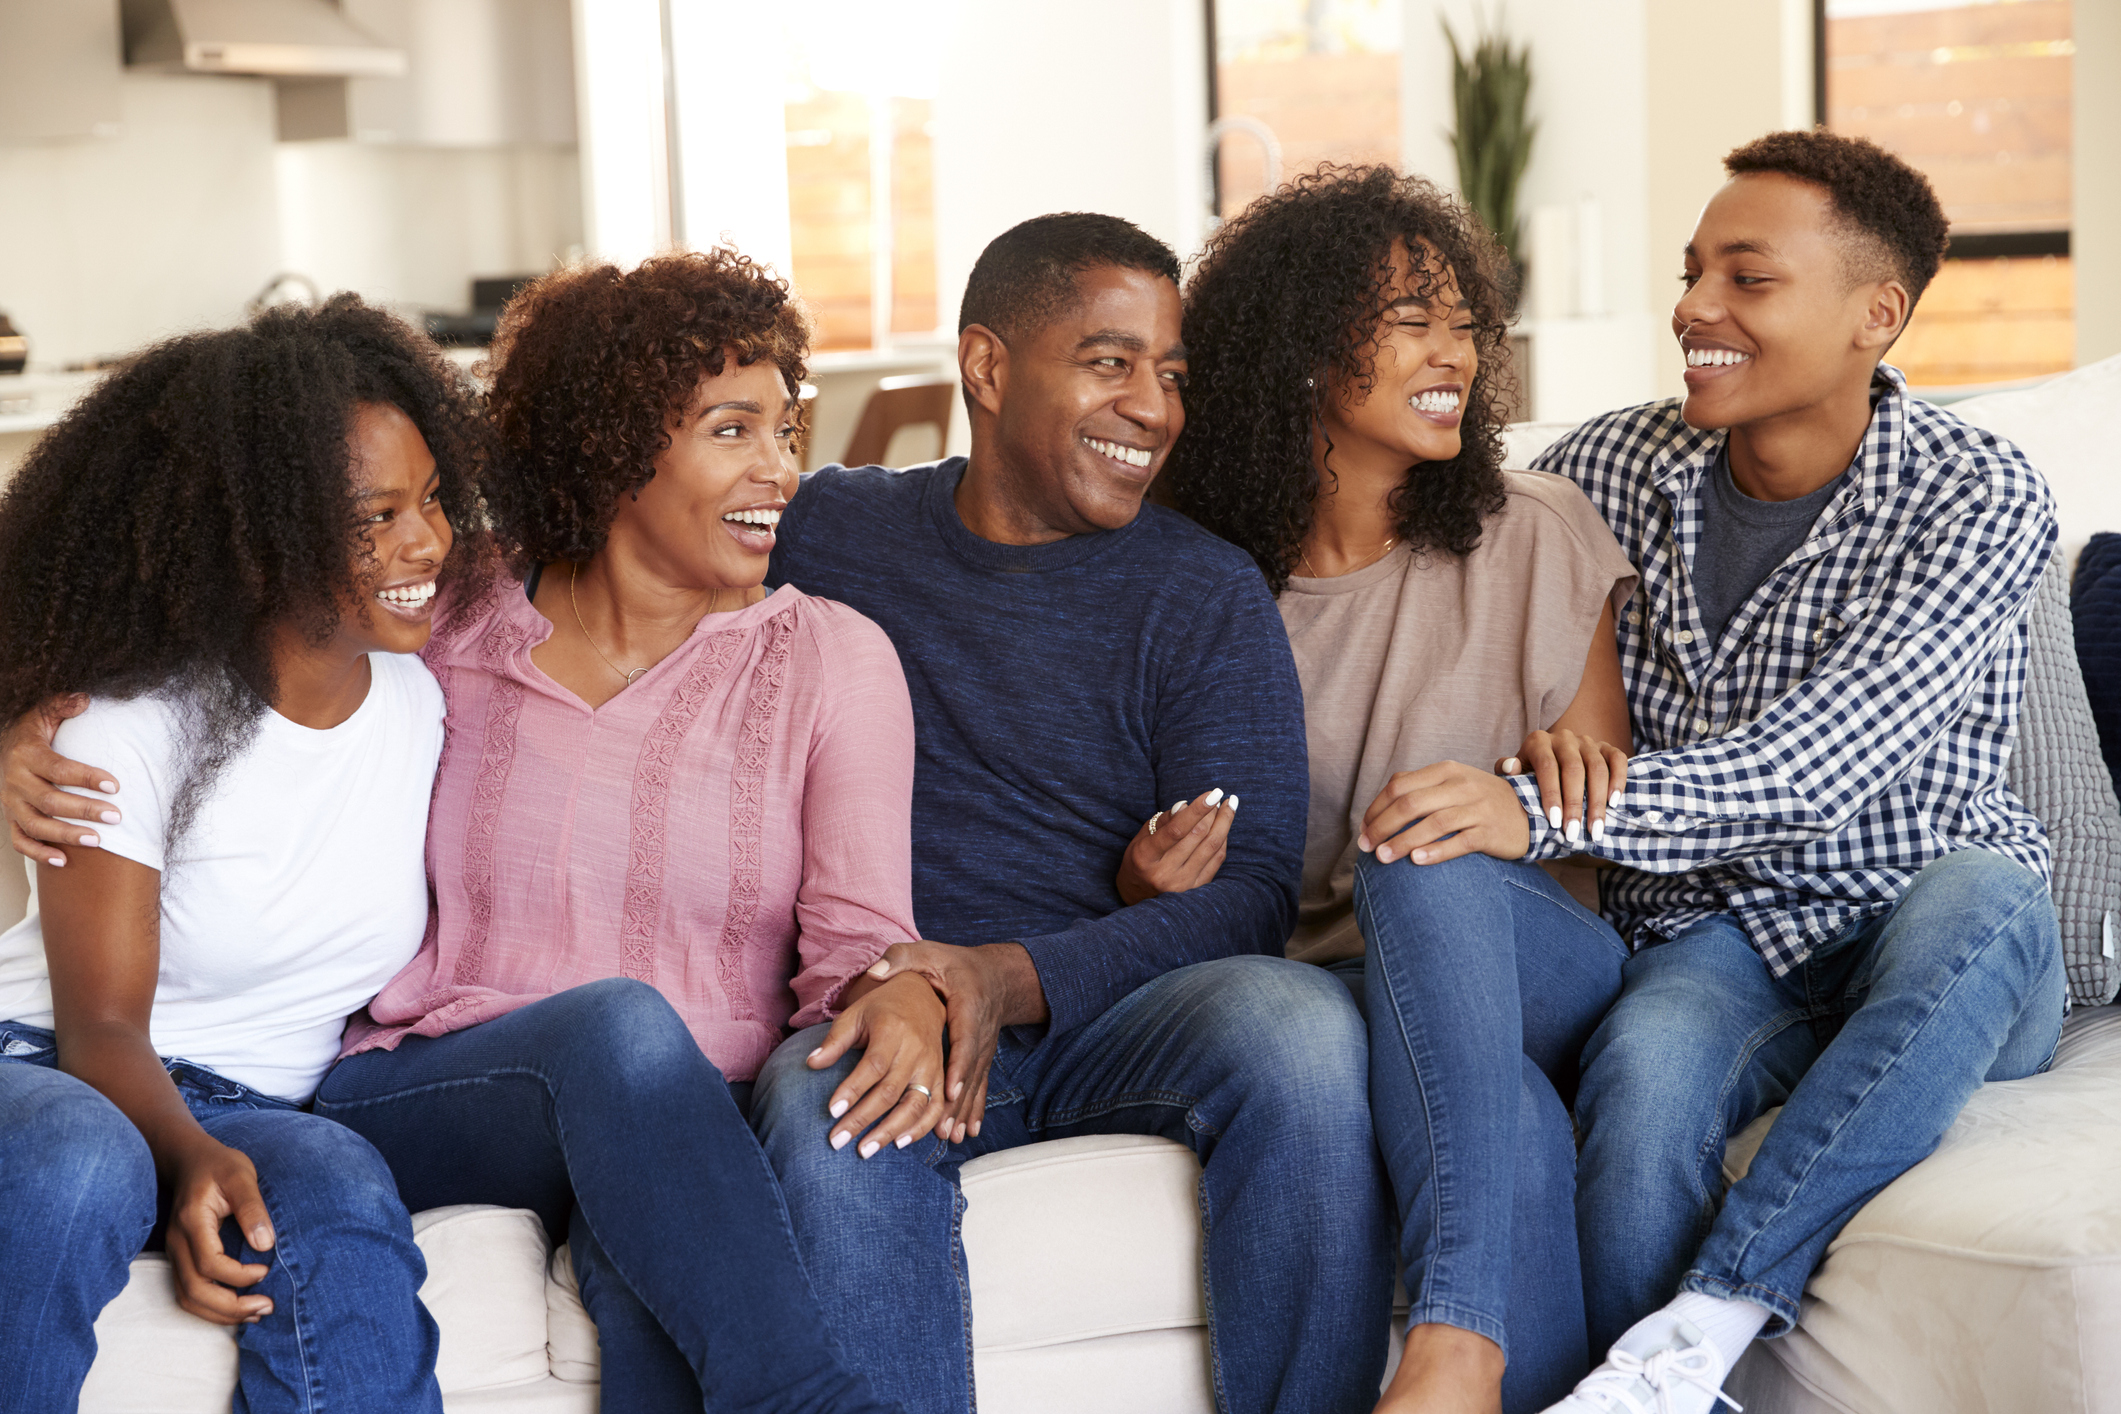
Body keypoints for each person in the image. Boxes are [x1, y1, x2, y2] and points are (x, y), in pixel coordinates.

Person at [6, 252, 932, 1413]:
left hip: (539, 1112)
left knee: (570, 1183)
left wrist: (912, 988)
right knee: (620, 1036)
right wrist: (12, 723)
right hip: (310, 1076)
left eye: (435, 503)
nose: (782, 468)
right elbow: (190, 600)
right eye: (736, 430)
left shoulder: (424, 661)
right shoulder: (443, 636)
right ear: (616, 449)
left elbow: (852, 950)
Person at [748, 212, 1393, 1414]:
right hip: (896, 1008)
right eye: (1112, 362)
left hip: (1116, 1018)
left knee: (1299, 1026)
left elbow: (1250, 896)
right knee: (818, 1099)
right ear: (988, 368)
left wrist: (1001, 975)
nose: (1155, 406)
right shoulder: (830, 531)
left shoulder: (1200, 590)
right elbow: (617, 541)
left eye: (1172, 373)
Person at [1529, 131, 2062, 1414]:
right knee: (1645, 1079)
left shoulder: (1976, 492)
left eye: (1746, 279)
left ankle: (1708, 1314)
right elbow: (1455, 578)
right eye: (1692, 272)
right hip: (1723, 930)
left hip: (1929, 915)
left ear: (1875, 315)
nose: (1693, 310)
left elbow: (1815, 768)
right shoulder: (1604, 469)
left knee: (1988, 892)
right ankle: (1658, 1395)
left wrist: (1539, 804)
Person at [1164, 164, 1638, 1414]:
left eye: (1464, 322)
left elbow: (1589, 834)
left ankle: (1453, 1344)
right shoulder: (1207, 588)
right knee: (1518, 1130)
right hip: (1325, 994)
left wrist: (1515, 808)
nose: (1457, 353)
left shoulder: (1537, 529)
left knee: (1417, 844)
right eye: (1411, 320)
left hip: (1531, 953)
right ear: (1303, 350)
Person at [0, 297, 473, 1412]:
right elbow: (100, 1028)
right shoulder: (126, 723)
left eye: (436, 499)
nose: (429, 541)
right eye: (379, 513)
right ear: (260, 535)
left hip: (269, 1097)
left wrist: (219, 1147)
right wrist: (184, 1154)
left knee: (341, 1182)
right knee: (86, 1161)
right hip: (56, 1066)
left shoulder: (423, 692)